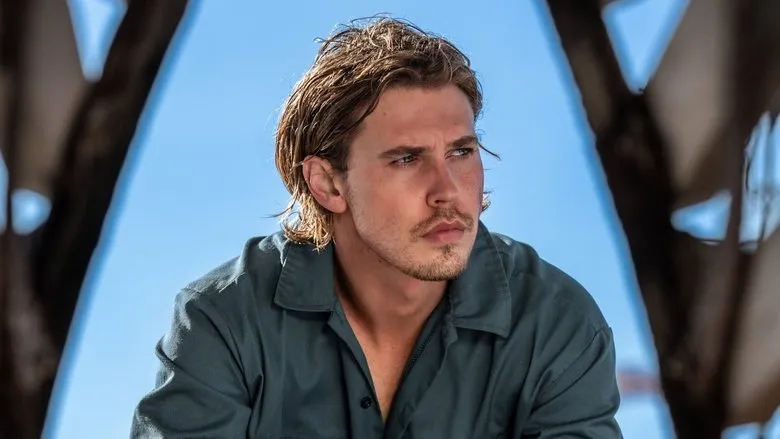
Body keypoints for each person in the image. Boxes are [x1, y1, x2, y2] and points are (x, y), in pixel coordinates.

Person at [130, 16, 622, 439]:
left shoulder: (557, 324)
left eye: (461, 152)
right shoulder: (224, 321)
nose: (447, 190)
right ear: (327, 184)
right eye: (407, 159)